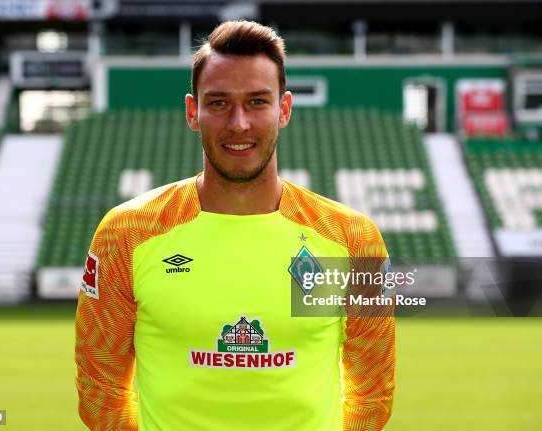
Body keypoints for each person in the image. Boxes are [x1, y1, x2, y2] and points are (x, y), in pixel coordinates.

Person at [75, 20, 395, 431]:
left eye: (258, 102)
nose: (239, 124)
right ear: (193, 112)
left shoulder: (352, 240)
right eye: (220, 103)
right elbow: (99, 387)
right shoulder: (127, 234)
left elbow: (373, 392)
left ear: (284, 109)